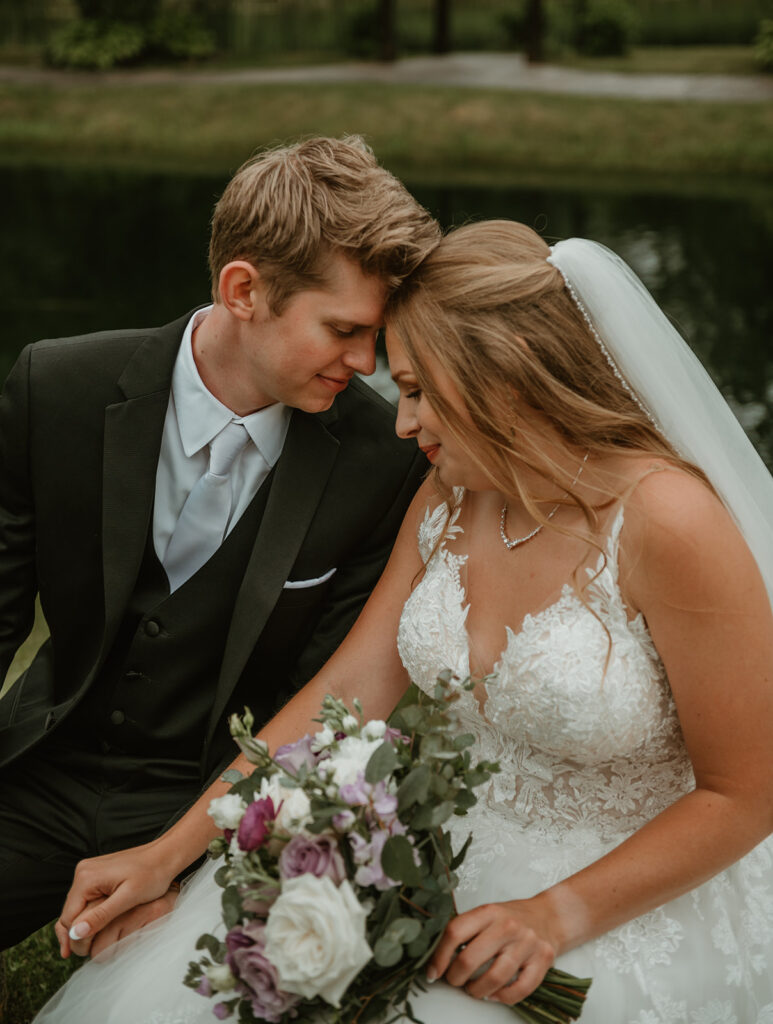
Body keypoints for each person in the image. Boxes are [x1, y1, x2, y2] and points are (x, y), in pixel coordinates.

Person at [36, 220, 773, 1023]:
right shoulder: (451, 493)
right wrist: (173, 853)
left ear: (506, 379)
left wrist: (555, 916)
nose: (400, 422)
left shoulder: (669, 521)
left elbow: (746, 792)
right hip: (436, 858)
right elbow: (347, 692)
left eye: (419, 390)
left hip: (630, 894)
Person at [0, 135, 440, 953]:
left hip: (218, 800)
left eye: (374, 335)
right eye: (343, 328)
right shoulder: (57, 387)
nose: (366, 362)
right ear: (244, 288)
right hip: (39, 770)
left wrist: (184, 857)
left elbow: (324, 700)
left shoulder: (386, 462)